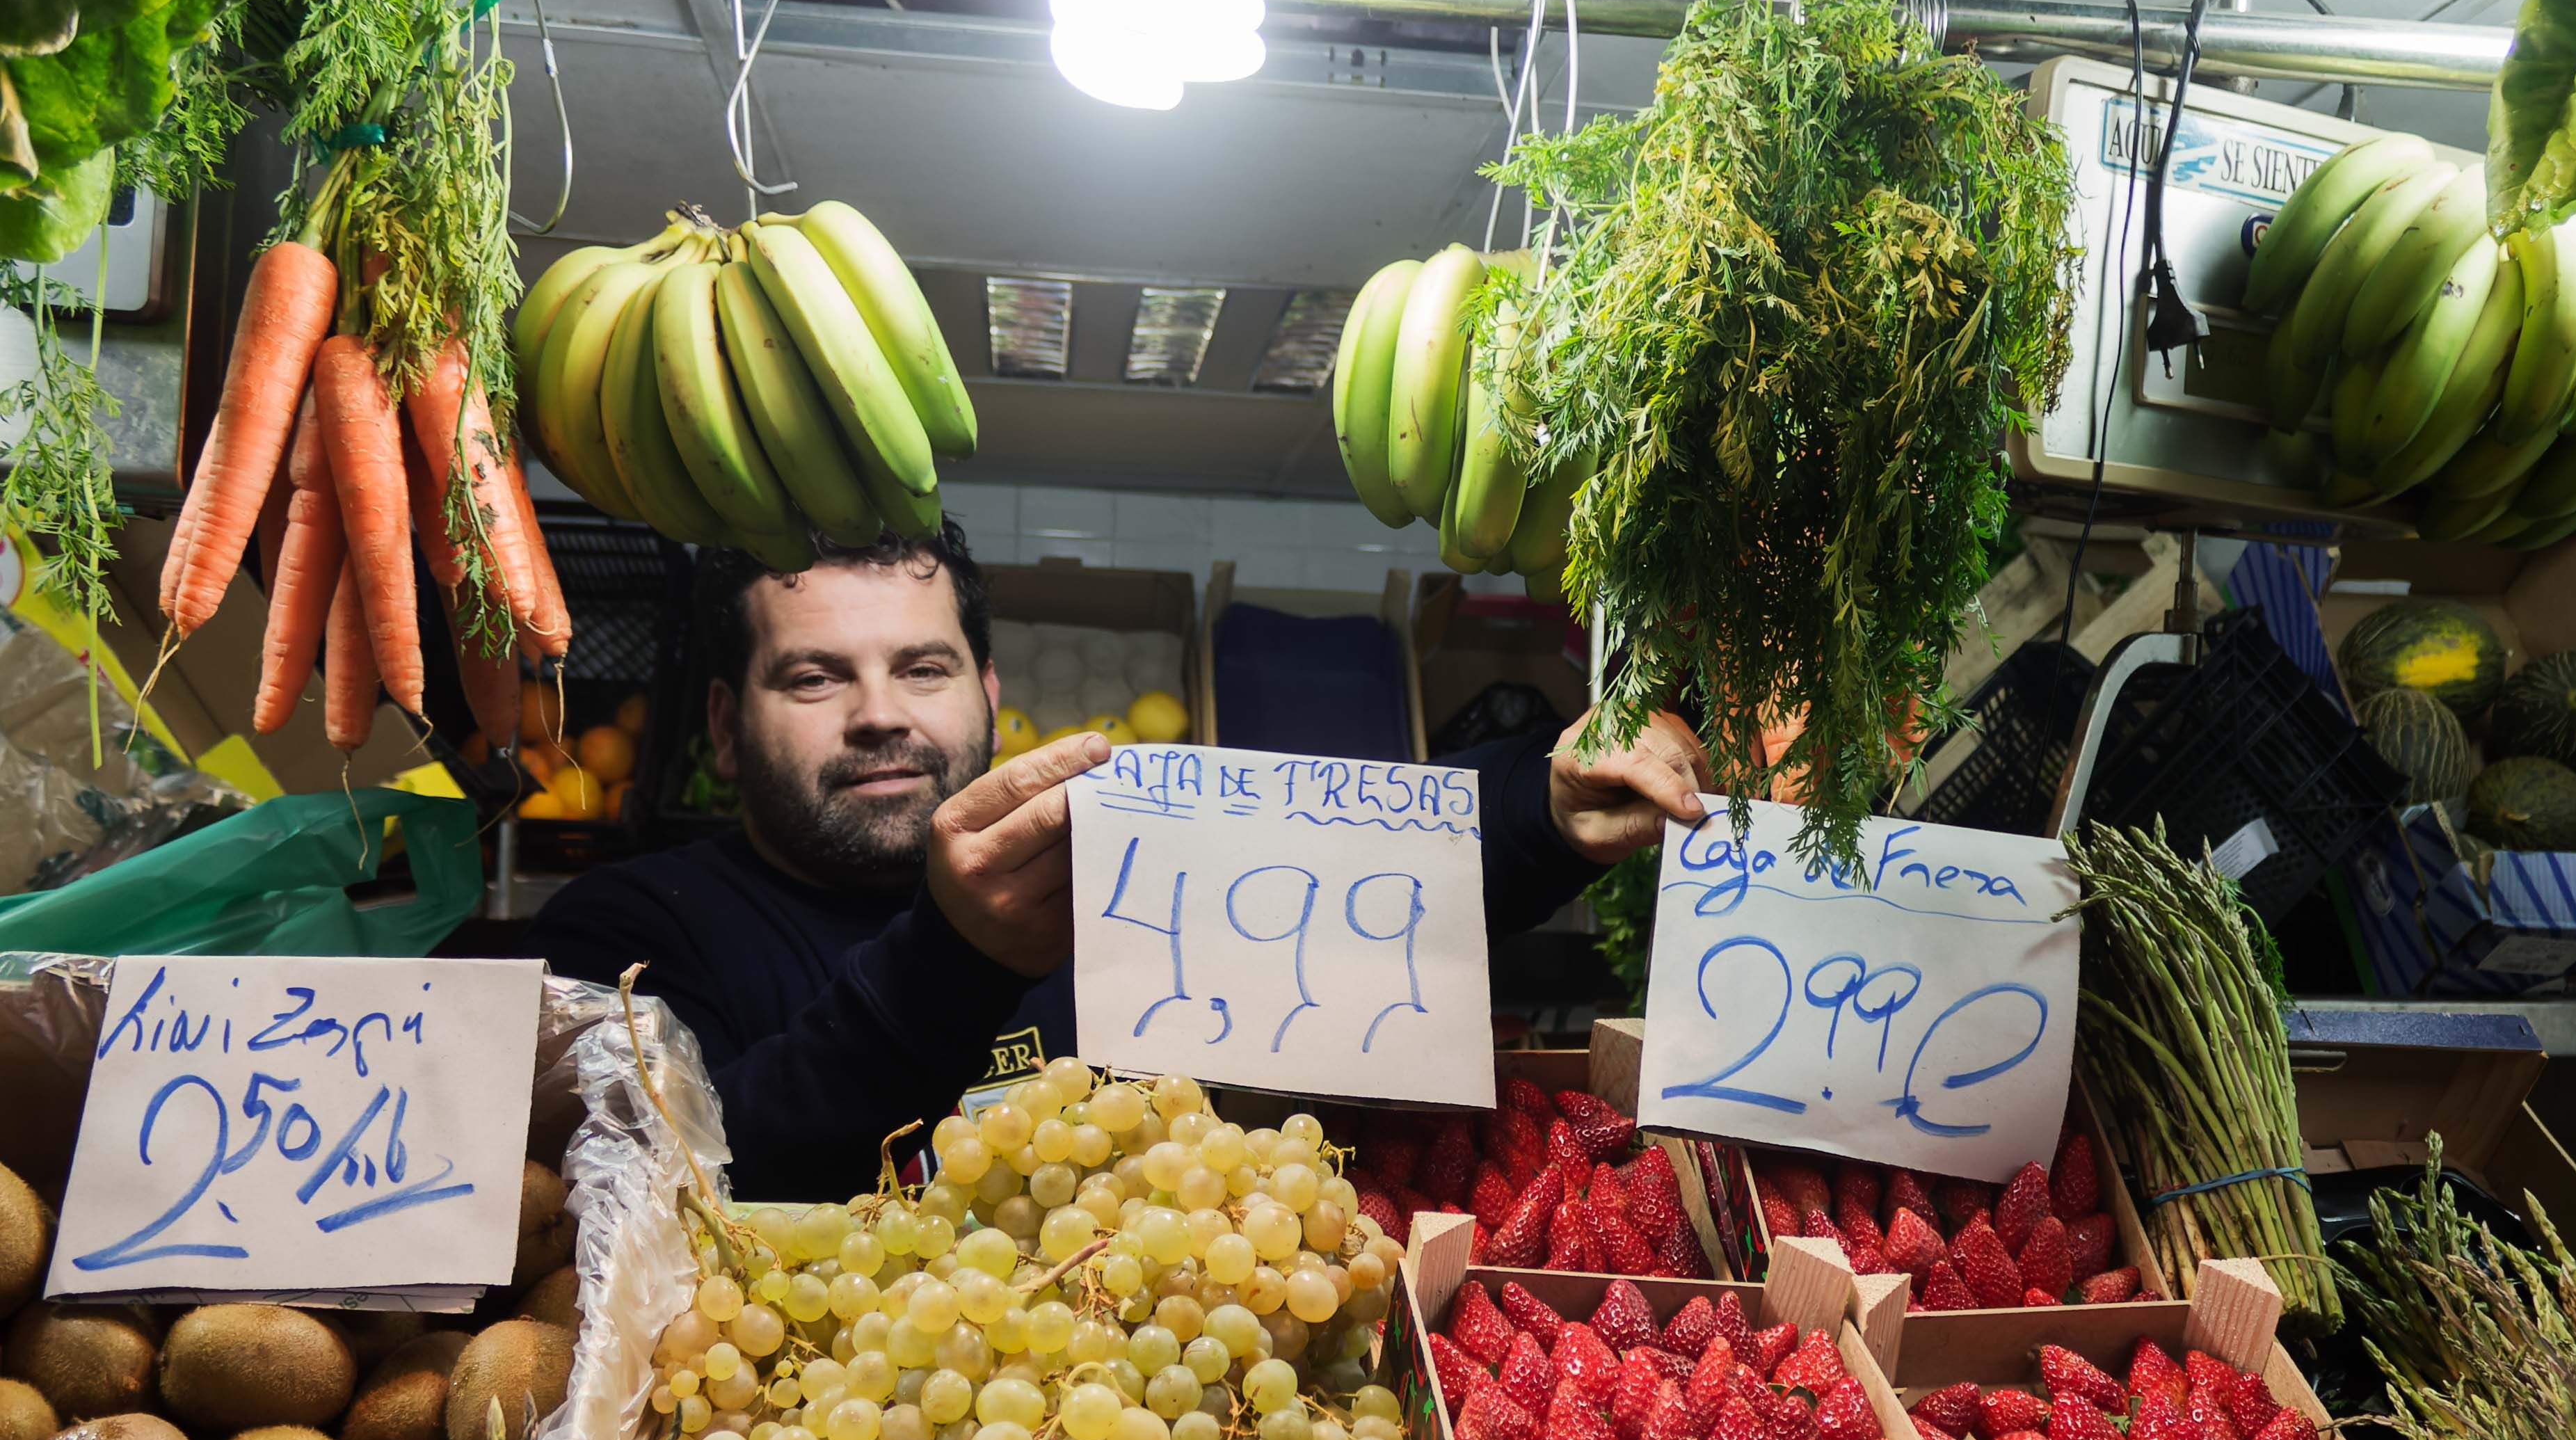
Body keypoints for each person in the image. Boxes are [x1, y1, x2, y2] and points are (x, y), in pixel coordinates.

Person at [520, 522, 1709, 1199]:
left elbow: (1349, 892)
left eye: (923, 669)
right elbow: (684, 1187)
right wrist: (953, 956)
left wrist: (1545, 808)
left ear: (990, 692)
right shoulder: (625, 935)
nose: (881, 714)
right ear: (725, 724)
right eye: (815, 676)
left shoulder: (1121, 854)